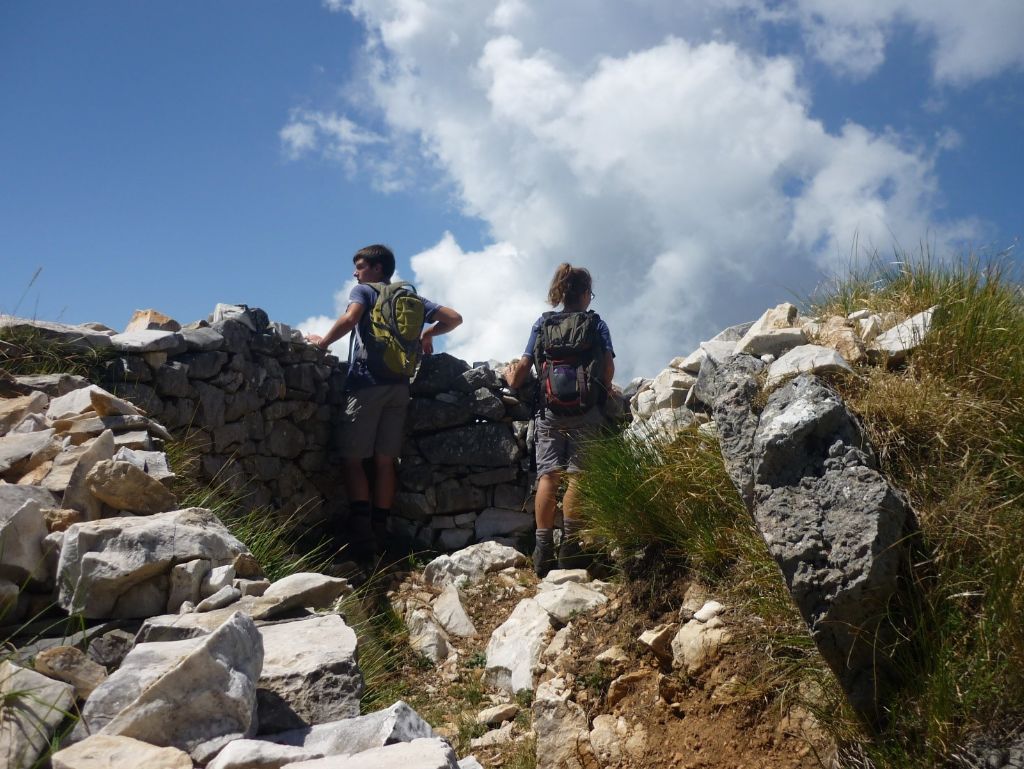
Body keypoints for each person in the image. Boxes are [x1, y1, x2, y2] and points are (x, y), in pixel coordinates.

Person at [307, 244, 463, 559]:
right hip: (399, 387)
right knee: (384, 461)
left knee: (353, 459)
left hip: (366, 385)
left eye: (361, 266)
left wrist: (322, 342)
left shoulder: (364, 292)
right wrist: (427, 334)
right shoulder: (410, 298)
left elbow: (351, 320)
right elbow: (454, 318)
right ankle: (381, 530)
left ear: (378, 269)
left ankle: (362, 535)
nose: (355, 273)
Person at [504, 263, 614, 577]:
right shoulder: (595, 324)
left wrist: (511, 378)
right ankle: (570, 546)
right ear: (584, 294)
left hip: (549, 412)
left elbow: (524, 368)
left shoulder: (543, 323)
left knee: (548, 477)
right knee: (579, 476)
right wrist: (603, 396)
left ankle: (542, 550)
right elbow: (607, 368)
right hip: (587, 411)